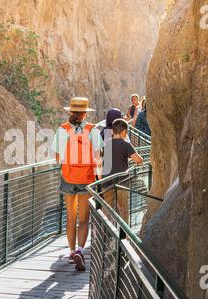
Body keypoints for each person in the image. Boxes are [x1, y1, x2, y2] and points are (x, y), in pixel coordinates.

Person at [51, 97, 103, 271]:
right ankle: (81, 250)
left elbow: (58, 158)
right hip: (86, 178)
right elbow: (98, 158)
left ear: (71, 112)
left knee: (71, 217)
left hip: (68, 178)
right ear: (85, 113)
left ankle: (71, 251)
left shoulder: (62, 129)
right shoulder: (92, 130)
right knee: (84, 219)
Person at [102, 119, 143, 224]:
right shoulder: (125, 144)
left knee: (106, 208)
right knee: (123, 208)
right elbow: (138, 160)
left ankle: (106, 234)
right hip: (122, 181)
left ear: (112, 131)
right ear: (124, 131)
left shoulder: (105, 143)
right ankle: (124, 236)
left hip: (106, 180)